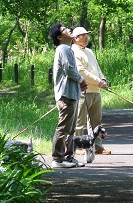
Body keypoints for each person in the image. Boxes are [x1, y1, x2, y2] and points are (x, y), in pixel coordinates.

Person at [49, 23, 88, 168]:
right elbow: (69, 69)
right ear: (59, 37)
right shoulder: (63, 48)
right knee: (64, 127)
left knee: (71, 128)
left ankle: (68, 156)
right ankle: (57, 159)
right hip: (65, 94)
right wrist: (81, 80)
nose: (69, 30)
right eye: (64, 30)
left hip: (72, 93)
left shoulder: (68, 49)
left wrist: (79, 84)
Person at [71, 26, 111, 155]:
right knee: (79, 121)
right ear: (76, 38)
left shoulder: (89, 51)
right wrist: (98, 81)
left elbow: (97, 68)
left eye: (87, 35)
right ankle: (79, 146)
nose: (86, 37)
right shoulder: (73, 52)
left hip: (96, 91)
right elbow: (82, 72)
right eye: (83, 35)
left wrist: (102, 79)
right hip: (83, 91)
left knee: (96, 121)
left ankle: (97, 145)